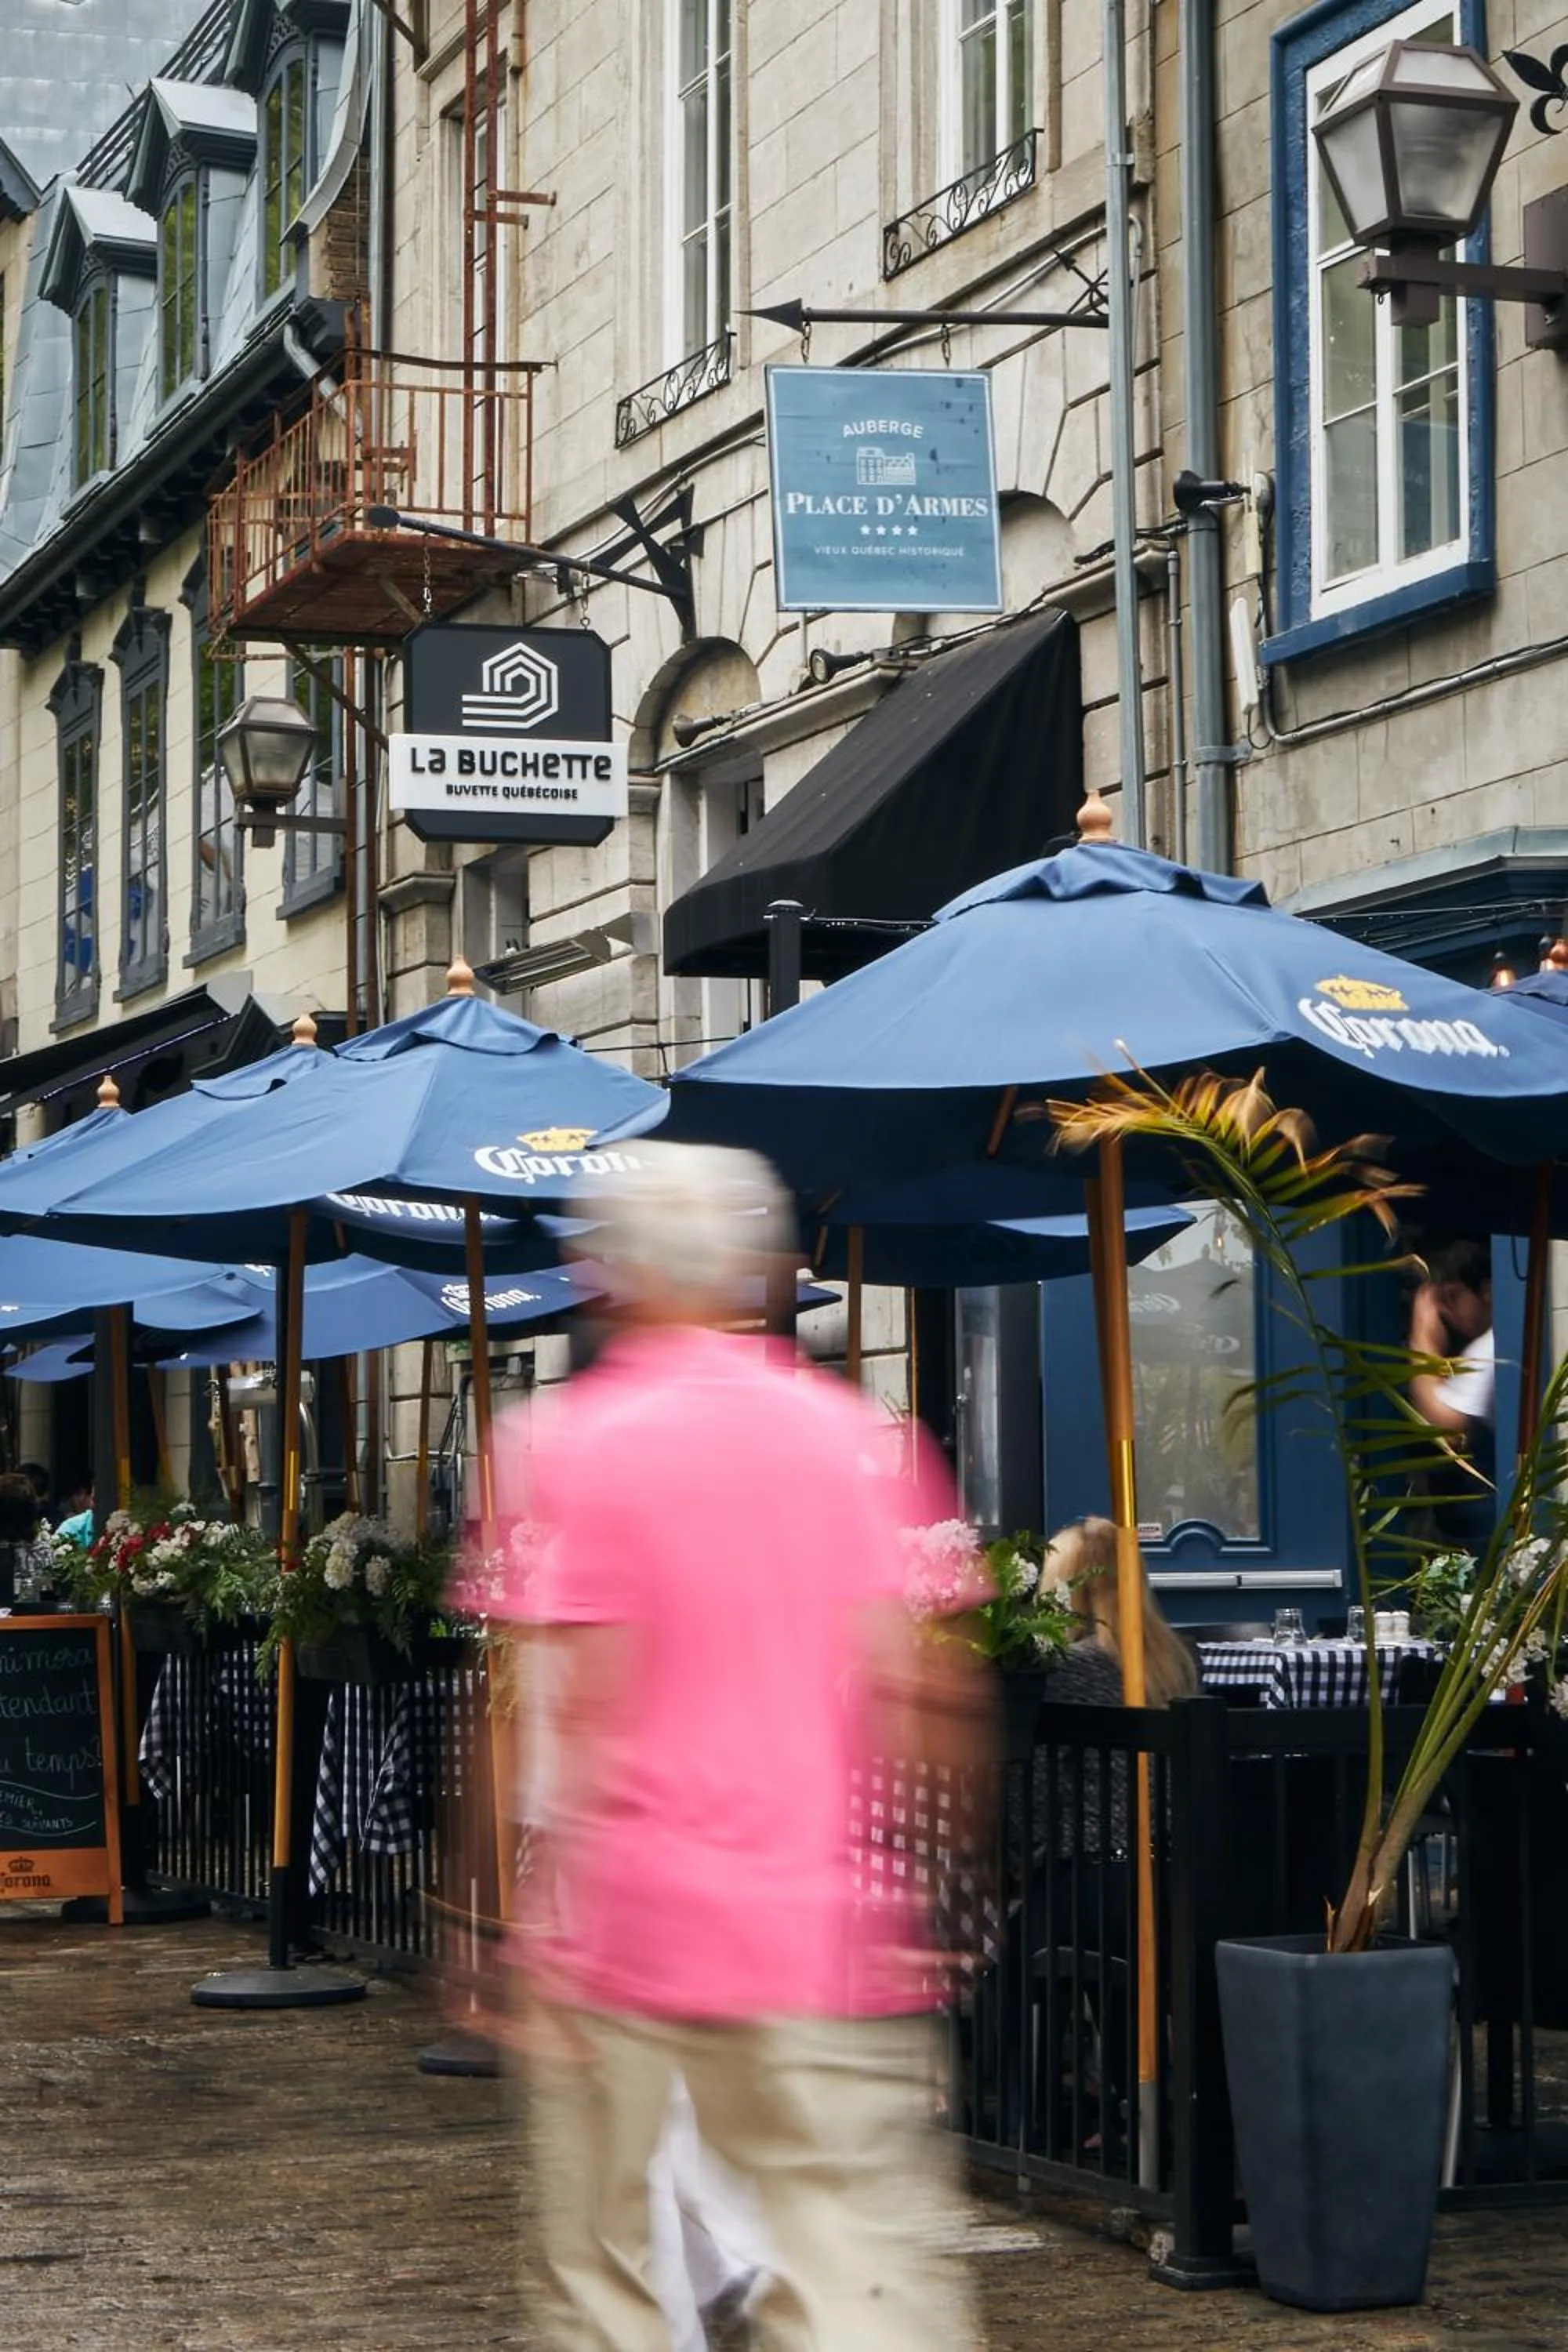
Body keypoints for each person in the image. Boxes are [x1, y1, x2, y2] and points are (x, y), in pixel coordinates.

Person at [492, 1140, 986, 2352]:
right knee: (851, 2267)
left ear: (616, 1273)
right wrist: (946, 1889)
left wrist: (513, 1930)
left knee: (609, 2272)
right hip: (816, 1928)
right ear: (751, 1269)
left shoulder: (569, 1444)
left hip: (629, 1930)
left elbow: (556, 1704)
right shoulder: (849, 1438)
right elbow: (927, 1691)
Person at [1408, 1237, 1495, 1553]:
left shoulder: (1494, 1346)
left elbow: (1445, 1422)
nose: (1446, 1310)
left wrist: (1423, 1333)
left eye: (1452, 1296)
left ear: (1486, 1292)